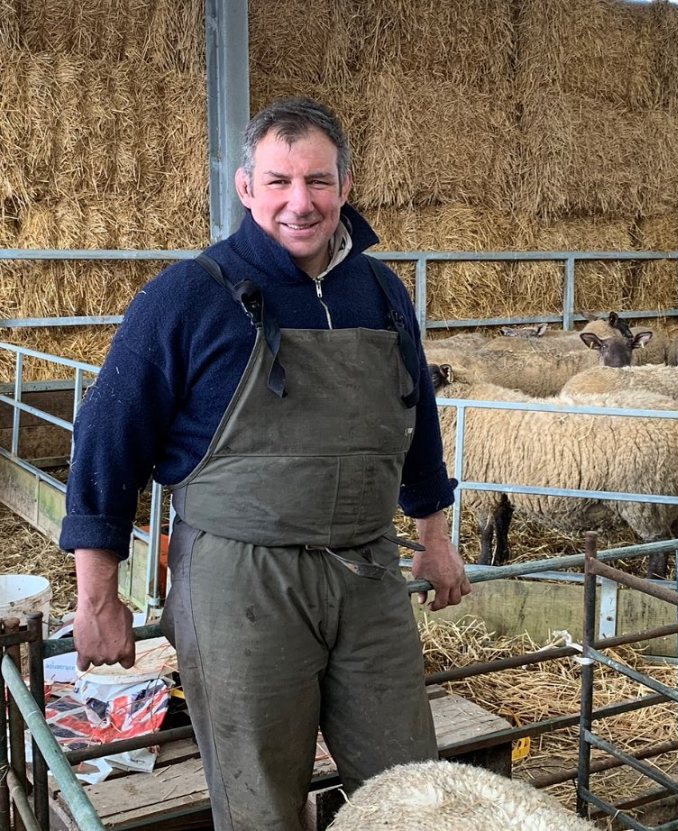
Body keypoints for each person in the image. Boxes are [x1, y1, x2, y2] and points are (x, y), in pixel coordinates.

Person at [60, 97, 471, 829]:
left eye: (317, 181)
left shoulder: (380, 292)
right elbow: (107, 437)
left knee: (416, 792)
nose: (300, 203)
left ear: (345, 186)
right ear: (246, 188)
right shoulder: (188, 296)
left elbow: (417, 422)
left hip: (369, 571)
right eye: (278, 182)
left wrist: (434, 538)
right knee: (261, 803)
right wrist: (98, 597)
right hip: (242, 580)